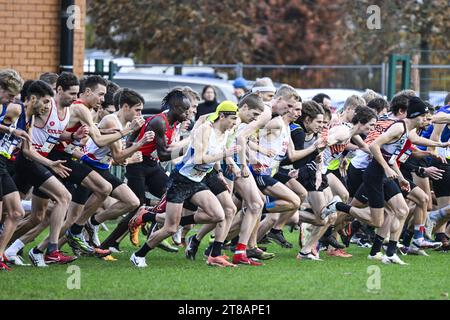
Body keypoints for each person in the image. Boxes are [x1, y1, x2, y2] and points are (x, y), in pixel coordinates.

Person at [130, 101, 239, 268]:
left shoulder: (224, 133)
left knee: (219, 215)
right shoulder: (205, 129)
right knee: (170, 229)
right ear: (222, 116)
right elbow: (199, 158)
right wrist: (224, 155)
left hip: (197, 180)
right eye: (232, 118)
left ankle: (148, 216)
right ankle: (138, 255)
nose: (234, 123)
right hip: (181, 180)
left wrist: (219, 172)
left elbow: (216, 154)